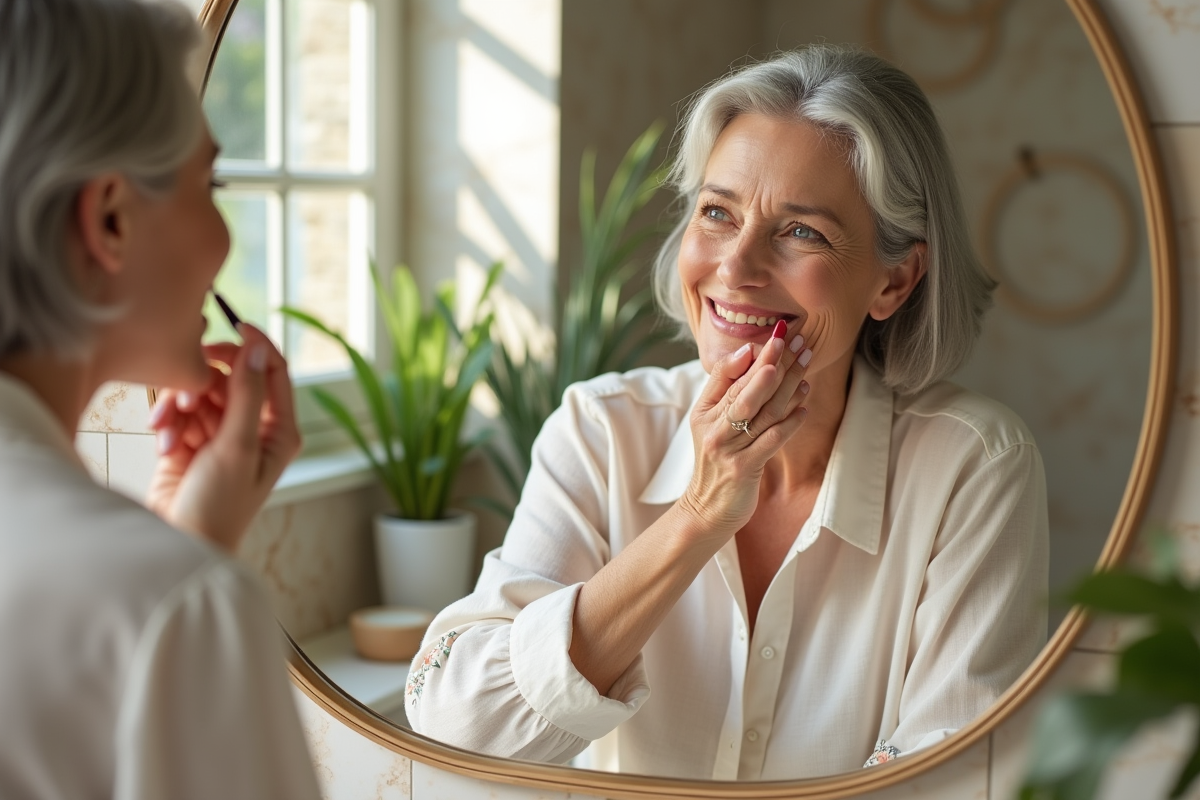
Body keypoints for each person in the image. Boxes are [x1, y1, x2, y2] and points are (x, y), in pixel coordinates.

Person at [406, 44, 1049, 781]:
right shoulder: (599, 431)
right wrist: (697, 517)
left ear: (894, 282)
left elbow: (954, 775)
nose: (735, 268)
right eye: (717, 212)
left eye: (801, 231)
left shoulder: (974, 465)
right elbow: (460, 727)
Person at [0, 0, 321, 797]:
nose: (225, 238)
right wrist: (186, 583)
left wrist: (194, 539)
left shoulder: (161, 596)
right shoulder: (173, 604)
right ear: (110, 218)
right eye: (208, 183)